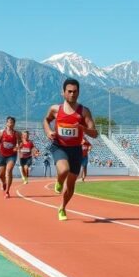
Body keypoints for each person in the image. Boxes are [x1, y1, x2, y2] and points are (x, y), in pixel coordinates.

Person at [43, 79, 98, 221]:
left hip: (76, 150)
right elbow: (46, 120)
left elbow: (95, 133)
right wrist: (49, 131)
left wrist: (83, 129)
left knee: (72, 184)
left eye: (75, 91)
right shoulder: (55, 109)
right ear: (63, 93)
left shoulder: (84, 111)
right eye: (69, 91)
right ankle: (59, 181)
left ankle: (62, 207)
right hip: (59, 146)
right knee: (63, 170)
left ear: (78, 92)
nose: (72, 94)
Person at [0, 116, 19, 198]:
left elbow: (20, 143)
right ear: (6, 123)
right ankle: (4, 183)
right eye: (9, 122)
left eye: (12, 122)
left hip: (12, 155)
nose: (10, 124)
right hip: (2, 155)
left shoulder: (17, 134)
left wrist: (17, 147)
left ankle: (7, 191)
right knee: (1, 175)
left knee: (9, 171)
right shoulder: (1, 132)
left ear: (14, 124)